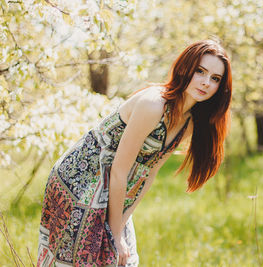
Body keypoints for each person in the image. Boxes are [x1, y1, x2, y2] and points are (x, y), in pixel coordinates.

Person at [37, 39, 232, 266]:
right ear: (185, 67)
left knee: (124, 257)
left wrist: (122, 222)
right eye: (200, 71)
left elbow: (148, 173)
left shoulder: (188, 124)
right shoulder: (154, 105)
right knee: (91, 256)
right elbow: (120, 169)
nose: (206, 82)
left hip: (115, 183)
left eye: (215, 78)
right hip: (84, 175)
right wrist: (116, 235)